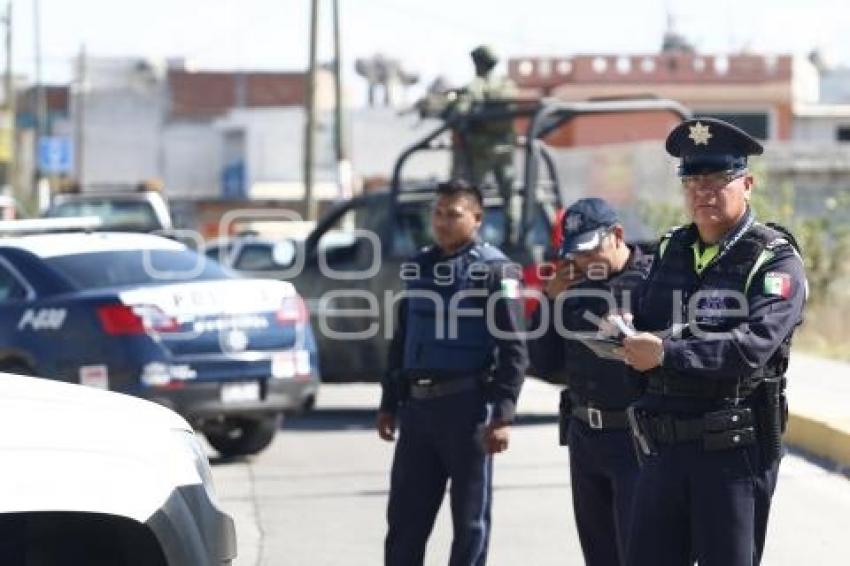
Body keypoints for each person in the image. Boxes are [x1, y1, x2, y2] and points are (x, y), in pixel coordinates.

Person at [621, 118, 807, 566]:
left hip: (731, 454)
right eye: (692, 180)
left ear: (747, 183)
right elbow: (649, 322)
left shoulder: (773, 258)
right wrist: (625, 327)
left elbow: (752, 346)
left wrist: (665, 352)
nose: (703, 191)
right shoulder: (671, 248)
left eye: (718, 180)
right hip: (662, 450)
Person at [377, 179, 528, 566]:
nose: (442, 222)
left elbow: (514, 349)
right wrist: (389, 402)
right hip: (417, 412)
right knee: (405, 521)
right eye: (438, 213)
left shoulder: (497, 270)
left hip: (467, 411)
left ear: (476, 219)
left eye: (453, 214)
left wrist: (504, 415)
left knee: (469, 524)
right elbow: (402, 340)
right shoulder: (422, 265)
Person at [528, 198, 652, 566]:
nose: (581, 262)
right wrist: (549, 302)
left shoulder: (654, 280)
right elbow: (543, 362)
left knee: (641, 553)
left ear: (616, 235)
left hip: (638, 438)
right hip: (586, 437)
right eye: (574, 254)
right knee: (599, 555)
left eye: (588, 251)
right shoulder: (570, 285)